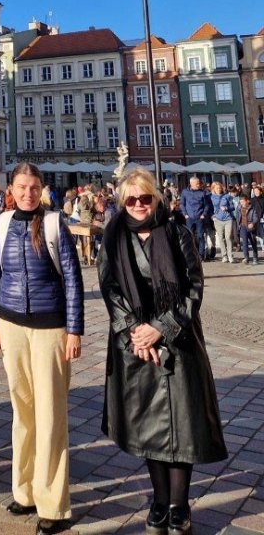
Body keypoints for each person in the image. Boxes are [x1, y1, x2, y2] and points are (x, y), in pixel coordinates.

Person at [98, 167, 227, 534]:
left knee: (180, 427)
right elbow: (109, 287)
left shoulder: (176, 232)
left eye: (146, 198)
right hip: (135, 347)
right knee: (150, 428)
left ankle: (179, 504)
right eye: (132, 199)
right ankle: (158, 499)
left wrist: (161, 329)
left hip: (179, 342)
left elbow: (193, 289)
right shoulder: (113, 237)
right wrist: (136, 331)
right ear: (122, 202)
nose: (139, 205)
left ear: (156, 198)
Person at [0, 162, 84, 535]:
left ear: (41, 189)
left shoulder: (55, 224)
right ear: (11, 188)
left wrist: (74, 330)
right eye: (21, 187)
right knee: (22, 411)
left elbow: (72, 280)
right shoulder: (3, 223)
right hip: (11, 325)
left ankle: (54, 506)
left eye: (34, 187)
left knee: (51, 416)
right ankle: (24, 491)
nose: (28, 193)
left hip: (49, 328)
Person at [180, 176, 211, 260]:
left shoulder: (202, 193)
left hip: (199, 217)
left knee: (200, 236)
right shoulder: (185, 192)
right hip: (189, 218)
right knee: (190, 236)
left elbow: (206, 205)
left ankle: (201, 255)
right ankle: (191, 254)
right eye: (197, 183)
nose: (199, 185)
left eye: (199, 183)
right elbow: (182, 204)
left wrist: (203, 214)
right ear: (191, 184)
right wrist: (185, 214)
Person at [210, 181, 235, 264]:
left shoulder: (227, 196)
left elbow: (232, 206)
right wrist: (212, 215)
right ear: (213, 189)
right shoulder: (211, 197)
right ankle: (224, 256)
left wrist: (227, 208)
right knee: (221, 238)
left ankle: (230, 255)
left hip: (228, 219)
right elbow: (209, 207)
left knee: (228, 237)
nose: (219, 189)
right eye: (217, 188)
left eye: (220, 188)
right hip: (217, 220)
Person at [238, 190, 263, 265]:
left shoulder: (252, 208)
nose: (241, 203)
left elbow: (256, 217)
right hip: (243, 227)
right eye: (240, 201)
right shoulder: (239, 208)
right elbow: (237, 217)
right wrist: (238, 227)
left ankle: (255, 257)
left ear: (247, 201)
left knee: (253, 242)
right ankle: (246, 257)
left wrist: (252, 223)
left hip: (251, 227)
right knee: (244, 243)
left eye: (243, 201)